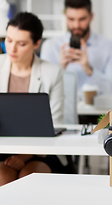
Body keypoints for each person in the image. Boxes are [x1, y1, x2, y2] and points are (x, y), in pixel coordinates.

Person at [0, 12, 65, 185]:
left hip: (41, 151)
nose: (12, 49)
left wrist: (24, 156)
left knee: (29, 178)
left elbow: (55, 123)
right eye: (9, 40)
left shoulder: (52, 72)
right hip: (2, 149)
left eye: (21, 44)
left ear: (36, 44)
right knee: (3, 177)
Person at [41, 0, 112, 97]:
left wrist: (90, 70)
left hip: (97, 112)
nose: (76, 25)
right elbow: (43, 90)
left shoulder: (109, 47)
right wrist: (60, 69)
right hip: (63, 111)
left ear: (91, 16)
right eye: (71, 19)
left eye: (82, 19)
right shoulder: (51, 46)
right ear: (65, 16)